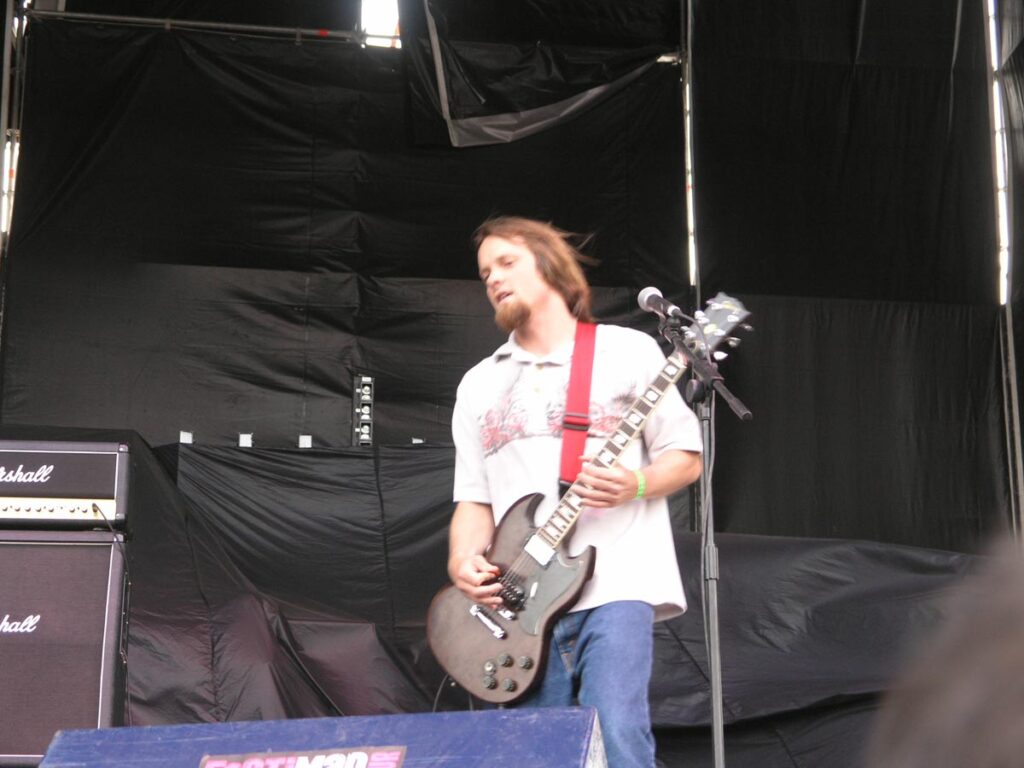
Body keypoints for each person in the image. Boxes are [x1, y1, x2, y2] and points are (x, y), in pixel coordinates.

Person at [447, 215, 703, 768]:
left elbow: (685, 457)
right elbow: (474, 498)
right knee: (538, 755)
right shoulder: (479, 383)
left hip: (617, 583)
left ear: (551, 266)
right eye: (486, 272)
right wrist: (462, 562)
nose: (493, 278)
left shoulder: (628, 351)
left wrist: (636, 483)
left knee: (617, 732)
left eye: (507, 262)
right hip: (520, 604)